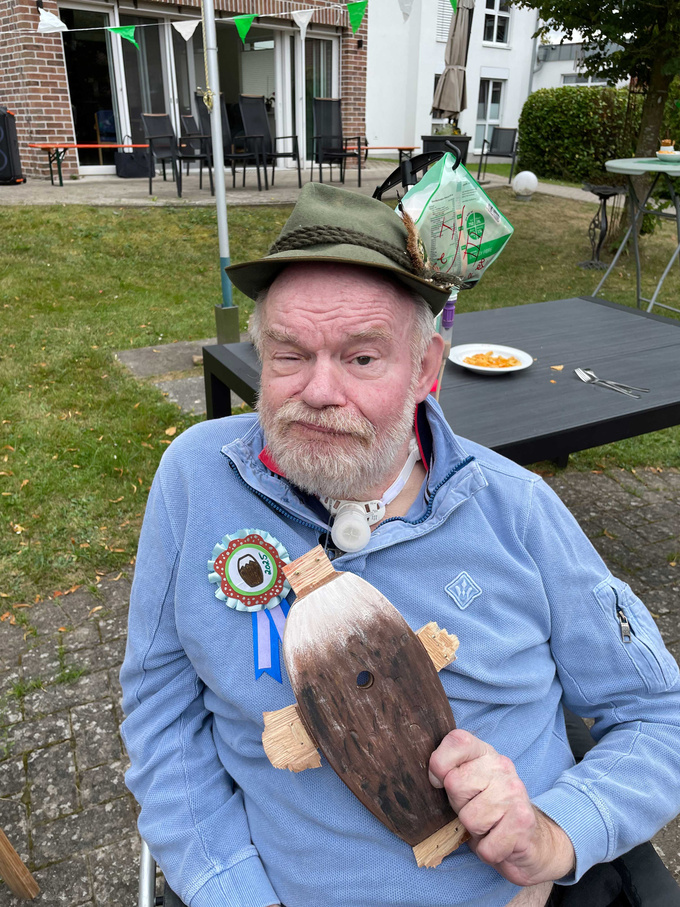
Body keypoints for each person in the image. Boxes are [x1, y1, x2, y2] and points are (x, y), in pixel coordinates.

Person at [120, 184, 680, 907]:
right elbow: (161, 713)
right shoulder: (196, 480)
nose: (318, 391)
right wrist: (229, 889)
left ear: (425, 370)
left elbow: (659, 712)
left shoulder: (517, 511)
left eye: (360, 359)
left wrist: (553, 831)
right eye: (289, 354)